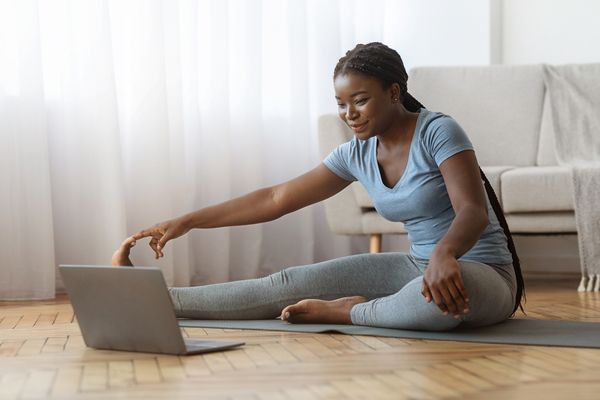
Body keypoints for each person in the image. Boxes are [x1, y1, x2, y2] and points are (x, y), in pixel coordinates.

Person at [113, 42, 525, 331]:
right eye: (341, 104)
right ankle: (151, 298)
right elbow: (275, 199)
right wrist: (187, 221)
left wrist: (445, 253)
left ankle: (348, 313)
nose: (349, 114)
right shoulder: (356, 154)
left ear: (394, 92)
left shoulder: (438, 131)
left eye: (360, 101)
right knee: (285, 284)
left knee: (441, 300)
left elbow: (472, 209)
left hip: (483, 272)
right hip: (415, 267)